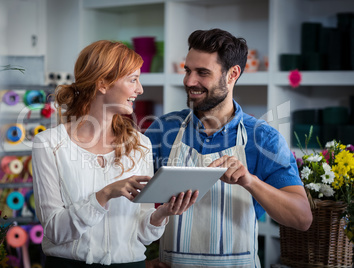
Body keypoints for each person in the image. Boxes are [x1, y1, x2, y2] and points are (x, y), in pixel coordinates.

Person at [144, 29, 313, 267]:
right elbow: (125, 202)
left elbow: (302, 218)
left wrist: (250, 181)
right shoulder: (162, 130)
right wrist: (138, 263)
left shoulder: (263, 138)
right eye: (187, 70)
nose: (189, 81)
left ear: (233, 74)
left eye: (202, 73)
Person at [31, 40, 198, 268]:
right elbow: (55, 230)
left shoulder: (140, 145)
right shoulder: (49, 145)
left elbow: (141, 233)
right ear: (102, 84)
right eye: (133, 80)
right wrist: (105, 194)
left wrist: (161, 214)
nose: (140, 90)